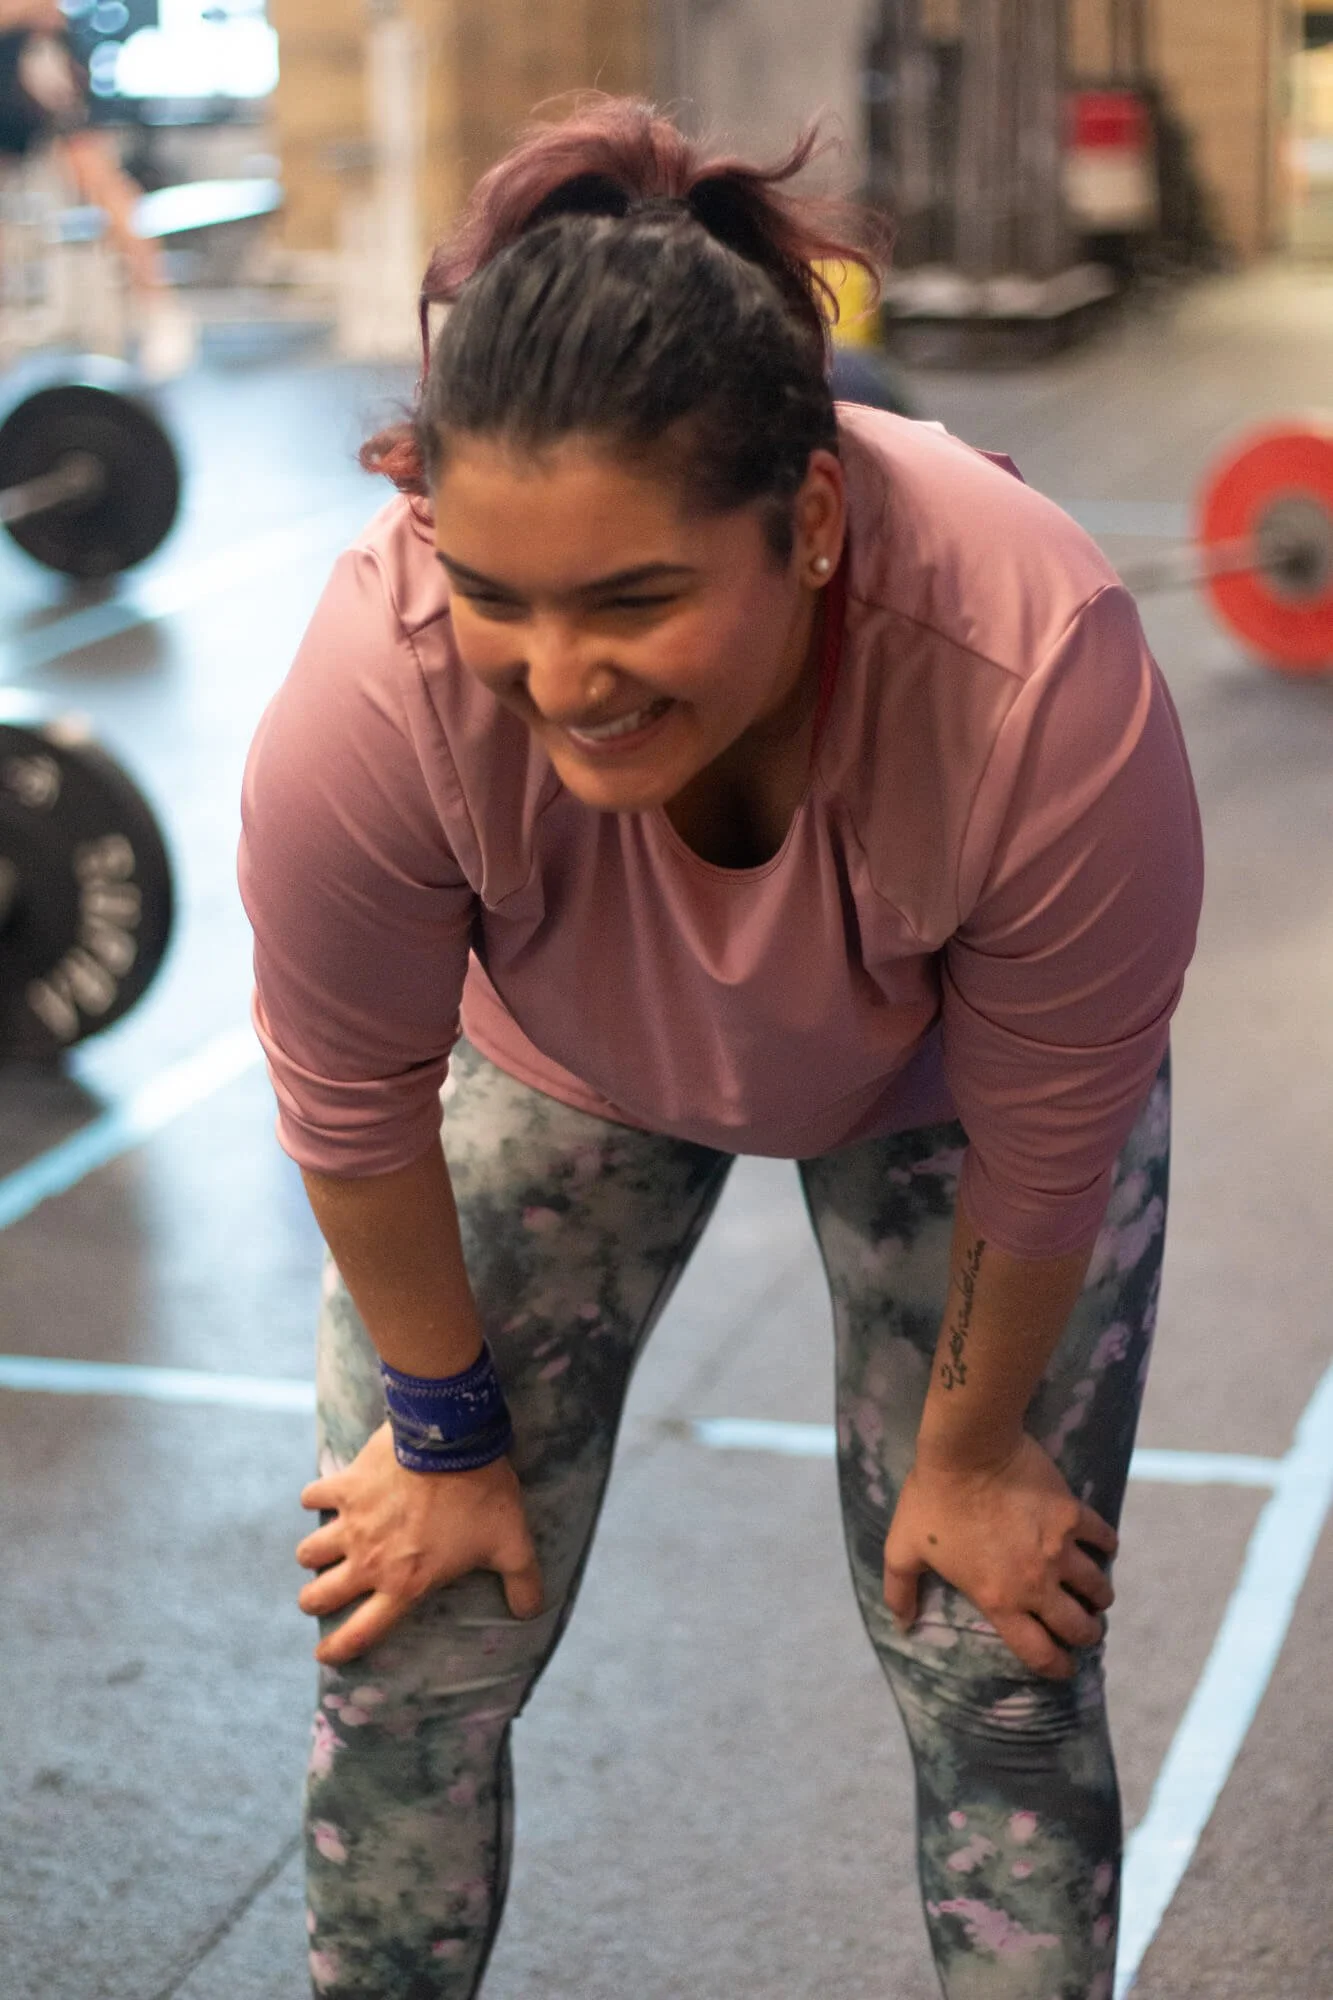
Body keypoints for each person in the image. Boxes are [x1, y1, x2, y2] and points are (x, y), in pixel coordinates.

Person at [239, 98, 1203, 2000]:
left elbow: (1050, 1125)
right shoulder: (374, 689)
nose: (560, 674)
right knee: (408, 1635)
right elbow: (351, 1104)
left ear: (814, 525)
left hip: (947, 1093)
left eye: (634, 600)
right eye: (498, 597)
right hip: (562, 1061)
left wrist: (977, 1443)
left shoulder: (1031, 674)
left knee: (991, 1660)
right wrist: (437, 1437)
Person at [0, 0, 193, 377]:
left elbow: (42, 11)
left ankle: (159, 309)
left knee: (104, 185)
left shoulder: (46, 44)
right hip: (9, 81)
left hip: (39, 75)